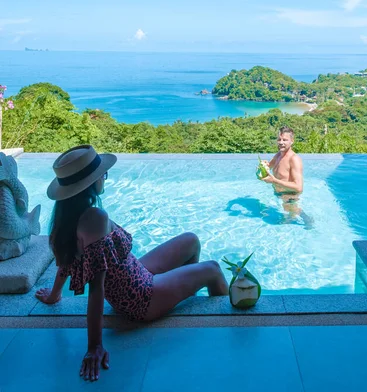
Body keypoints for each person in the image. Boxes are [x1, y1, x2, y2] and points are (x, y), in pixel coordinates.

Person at [35, 145, 228, 382]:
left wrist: (55, 295)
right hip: (141, 298)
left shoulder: (63, 221)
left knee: (191, 241)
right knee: (213, 269)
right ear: (92, 182)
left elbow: (65, 264)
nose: (105, 178)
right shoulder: (95, 219)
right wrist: (95, 345)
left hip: (137, 274)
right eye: (102, 175)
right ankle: (228, 324)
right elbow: (96, 288)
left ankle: (185, 296)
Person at [260, 126, 305, 219]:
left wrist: (274, 181)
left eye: (284, 140)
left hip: (290, 196)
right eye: (279, 139)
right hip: (279, 193)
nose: (281, 142)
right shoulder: (278, 155)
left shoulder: (294, 159)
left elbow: (299, 187)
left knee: (294, 214)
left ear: (292, 141)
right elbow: (269, 166)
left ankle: (308, 221)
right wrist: (264, 165)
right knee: (287, 216)